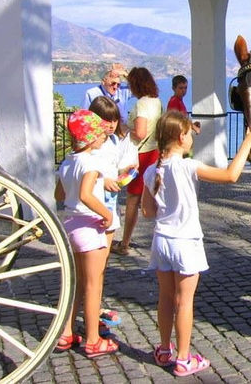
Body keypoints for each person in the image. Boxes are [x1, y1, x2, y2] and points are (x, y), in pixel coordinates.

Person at [141, 111, 251, 377]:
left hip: (161, 240)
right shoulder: (188, 166)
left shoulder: (151, 170)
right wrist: (248, 142)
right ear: (180, 136)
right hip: (185, 242)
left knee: (165, 298)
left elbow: (148, 212)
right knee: (184, 302)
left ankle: (164, 349)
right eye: (188, 133)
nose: (191, 138)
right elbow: (231, 176)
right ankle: (184, 358)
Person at [54, 109, 119, 358]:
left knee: (77, 284)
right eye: (100, 133)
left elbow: (59, 195)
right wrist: (107, 214)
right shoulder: (91, 162)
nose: (104, 136)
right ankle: (93, 339)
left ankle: (66, 332)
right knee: (93, 286)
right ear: (90, 137)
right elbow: (85, 195)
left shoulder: (68, 161)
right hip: (89, 225)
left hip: (70, 223)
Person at [88, 96, 138, 330]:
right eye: (105, 120)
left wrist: (124, 172)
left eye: (114, 120)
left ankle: (95, 307)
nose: (110, 125)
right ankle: (92, 311)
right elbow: (87, 172)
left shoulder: (114, 143)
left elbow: (113, 167)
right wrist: (103, 180)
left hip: (110, 207)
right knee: (93, 268)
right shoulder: (91, 146)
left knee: (103, 264)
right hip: (95, 209)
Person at [112, 67, 163, 256]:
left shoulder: (141, 104)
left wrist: (124, 127)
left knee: (133, 200)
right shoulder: (157, 102)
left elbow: (140, 133)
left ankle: (124, 243)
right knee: (154, 196)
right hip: (154, 152)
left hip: (140, 155)